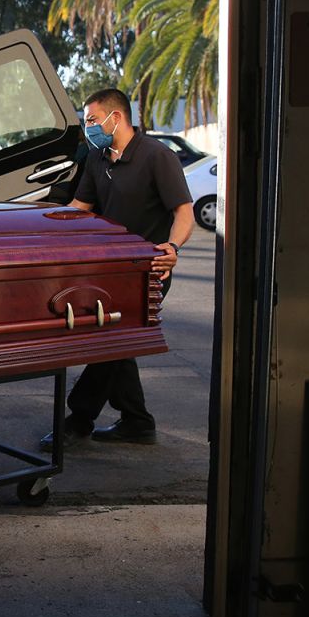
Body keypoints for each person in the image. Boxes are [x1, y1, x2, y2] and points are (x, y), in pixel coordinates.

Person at [40, 88, 193, 451]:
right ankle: (137, 422)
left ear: (116, 118)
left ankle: (79, 418)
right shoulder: (98, 158)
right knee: (117, 339)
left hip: (149, 269)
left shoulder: (158, 157)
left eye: (92, 120)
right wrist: (38, 218)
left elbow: (184, 212)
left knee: (110, 339)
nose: (88, 126)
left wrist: (171, 247)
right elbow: (81, 206)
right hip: (108, 269)